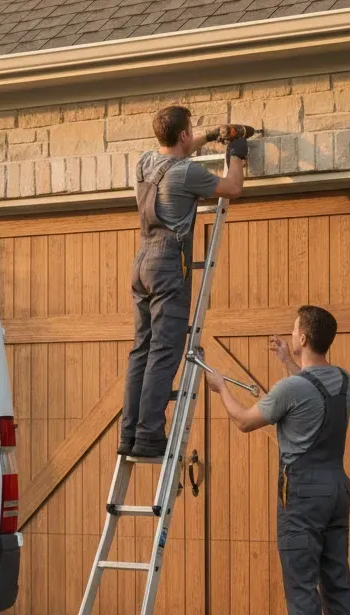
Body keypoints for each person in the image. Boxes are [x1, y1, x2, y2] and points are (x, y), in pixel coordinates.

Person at [204, 306, 350, 615]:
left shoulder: (290, 390)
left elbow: (243, 420)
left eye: (294, 332)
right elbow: (314, 395)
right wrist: (289, 363)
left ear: (304, 338)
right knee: (337, 586)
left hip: (304, 494)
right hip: (337, 490)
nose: (291, 335)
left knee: (302, 589)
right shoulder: (344, 382)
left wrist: (222, 388)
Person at [119, 106, 247, 458]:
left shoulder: (145, 162)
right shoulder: (186, 173)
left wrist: (211, 135)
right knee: (165, 351)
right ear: (183, 135)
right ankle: (149, 435)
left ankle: (129, 434)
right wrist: (236, 150)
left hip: (142, 261)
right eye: (191, 131)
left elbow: (181, 148)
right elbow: (233, 187)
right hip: (167, 265)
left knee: (141, 350)